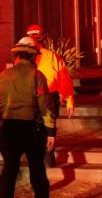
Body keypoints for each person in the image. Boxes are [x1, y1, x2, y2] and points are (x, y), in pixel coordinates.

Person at [0, 37, 57, 198]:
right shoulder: (37, 76)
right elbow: (45, 107)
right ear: (32, 56)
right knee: (37, 168)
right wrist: (51, 131)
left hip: (9, 128)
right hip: (30, 128)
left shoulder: (4, 75)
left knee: (9, 173)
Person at [24, 24, 75, 167]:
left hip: (37, 98)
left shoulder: (25, 58)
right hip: (45, 98)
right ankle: (46, 158)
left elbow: (63, 79)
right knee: (47, 129)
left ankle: (43, 157)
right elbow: (64, 80)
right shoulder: (52, 57)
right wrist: (69, 100)